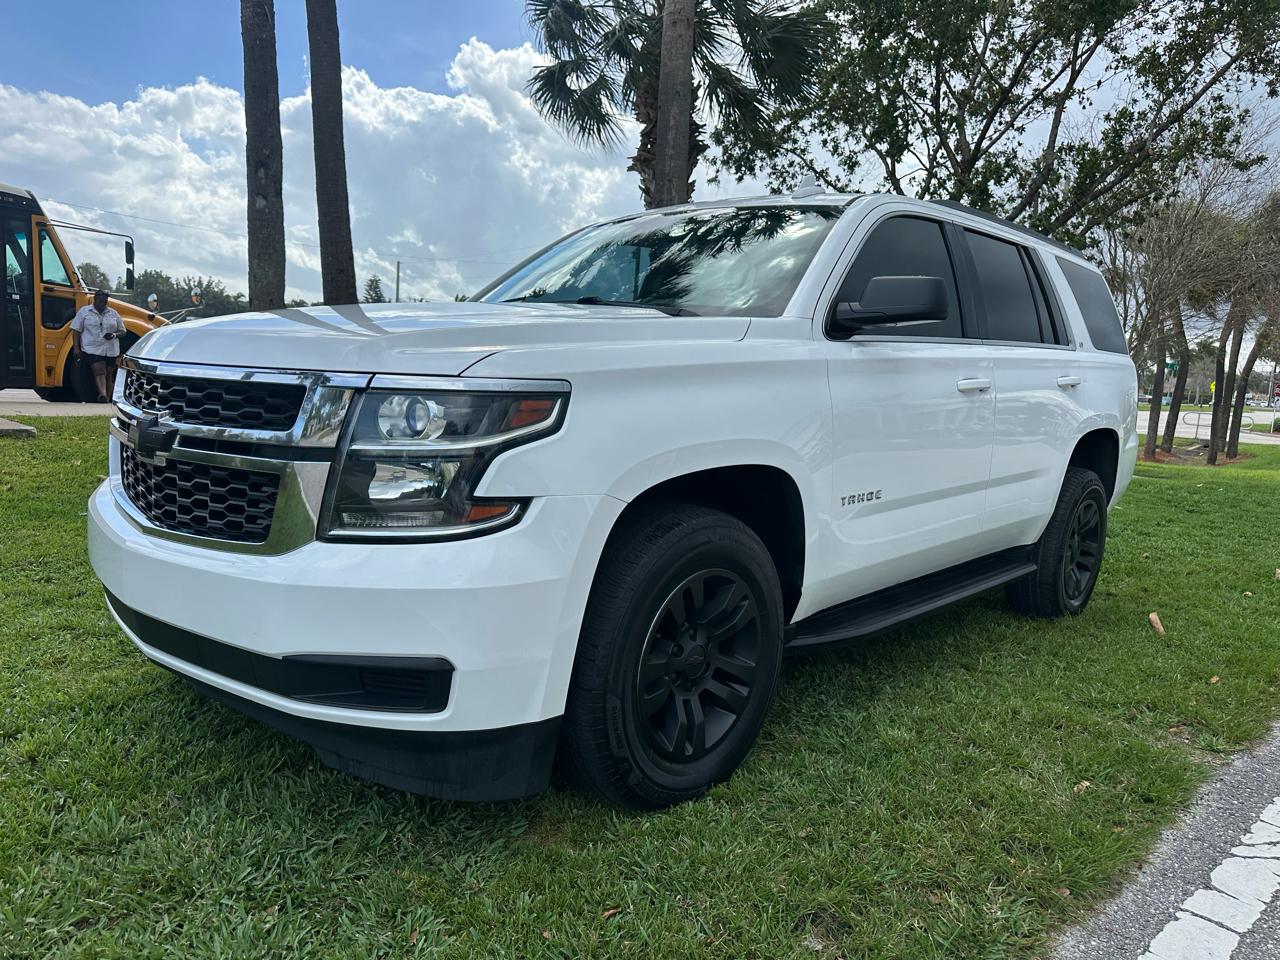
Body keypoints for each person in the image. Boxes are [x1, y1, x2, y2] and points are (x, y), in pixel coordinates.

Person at [71, 289, 126, 402]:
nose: (103, 304)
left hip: (111, 350)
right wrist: (76, 348)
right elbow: (76, 330)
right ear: (95, 300)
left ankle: (107, 399)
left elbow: (123, 331)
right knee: (99, 370)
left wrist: (114, 335)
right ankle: (103, 394)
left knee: (109, 373)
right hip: (92, 348)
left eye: (105, 301)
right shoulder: (84, 312)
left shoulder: (113, 313)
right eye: (101, 301)